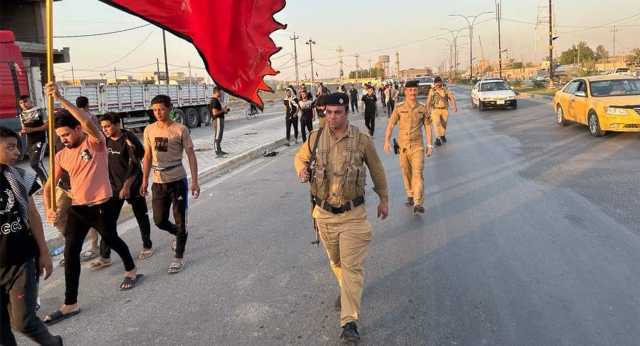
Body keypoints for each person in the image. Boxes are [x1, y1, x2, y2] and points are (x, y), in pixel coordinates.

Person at [42, 82, 141, 325]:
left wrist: (61, 99)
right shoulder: (61, 155)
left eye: (66, 134)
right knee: (71, 251)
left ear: (77, 129)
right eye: (60, 136)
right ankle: (70, 303)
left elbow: (89, 123)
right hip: (78, 207)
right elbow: (47, 188)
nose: (64, 139)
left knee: (112, 239)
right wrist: (49, 209)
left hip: (101, 205)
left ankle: (131, 270)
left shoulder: (94, 143)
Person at [294, 92, 389, 343]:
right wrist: (302, 169)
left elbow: (377, 169)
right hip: (324, 214)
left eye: (338, 113)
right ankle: (346, 289)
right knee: (336, 262)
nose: (333, 117)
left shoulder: (361, 140)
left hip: (353, 215)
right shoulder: (315, 138)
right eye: (329, 113)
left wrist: (384, 199)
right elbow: (300, 157)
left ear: (346, 112)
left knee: (351, 267)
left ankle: (349, 322)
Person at [0, 127, 63, 346]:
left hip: (20, 262)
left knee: (23, 322)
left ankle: (54, 343)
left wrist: (44, 252)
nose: (17, 152)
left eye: (16, 146)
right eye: (10, 147)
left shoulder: (17, 176)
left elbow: (33, 214)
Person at [141, 95, 200, 274]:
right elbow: (148, 156)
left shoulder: (180, 129)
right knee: (159, 220)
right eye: (155, 110)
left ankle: (178, 257)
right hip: (158, 182)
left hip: (177, 181)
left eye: (162, 109)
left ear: (170, 109)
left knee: (180, 219)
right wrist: (144, 179)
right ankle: (178, 233)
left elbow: (190, 154)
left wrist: (195, 182)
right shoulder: (149, 130)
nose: (158, 113)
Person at [88, 113, 153, 270]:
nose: (105, 130)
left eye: (108, 126)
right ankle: (105, 256)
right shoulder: (105, 140)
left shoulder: (129, 139)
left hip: (132, 185)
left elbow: (135, 164)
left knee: (141, 215)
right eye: (103, 127)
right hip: (113, 187)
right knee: (107, 222)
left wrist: (126, 186)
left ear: (118, 124)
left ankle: (147, 245)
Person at [383, 80, 433, 214]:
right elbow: (390, 125)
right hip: (403, 147)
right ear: (405, 92)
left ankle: (418, 202)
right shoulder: (399, 108)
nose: (412, 92)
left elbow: (428, 126)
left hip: (417, 147)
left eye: (414, 90)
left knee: (417, 174)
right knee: (406, 173)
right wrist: (387, 141)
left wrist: (429, 144)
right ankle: (410, 194)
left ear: (417, 91)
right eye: (410, 90)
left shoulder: (422, 108)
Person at [75, 96, 101, 263]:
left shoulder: (84, 119)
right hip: (81, 174)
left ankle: (95, 246)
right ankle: (92, 245)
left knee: (92, 212)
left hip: (89, 169)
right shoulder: (91, 117)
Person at [17, 96, 48, 186]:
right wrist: (22, 132)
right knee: (34, 164)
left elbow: (47, 125)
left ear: (31, 101)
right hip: (30, 142)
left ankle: (47, 185)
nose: (24, 104)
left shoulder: (40, 111)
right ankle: (45, 184)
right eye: (21, 103)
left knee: (35, 163)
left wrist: (32, 130)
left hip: (40, 140)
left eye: (25, 101)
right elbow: (25, 128)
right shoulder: (22, 115)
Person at [426, 76, 457, 146]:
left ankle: (442, 135)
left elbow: (451, 98)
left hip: (444, 109)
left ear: (441, 83)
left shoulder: (445, 89)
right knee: (436, 123)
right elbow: (428, 101)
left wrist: (454, 106)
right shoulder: (432, 90)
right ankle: (437, 139)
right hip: (435, 110)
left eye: (439, 84)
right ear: (434, 84)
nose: (438, 85)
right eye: (436, 84)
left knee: (444, 124)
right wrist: (427, 110)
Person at [209, 87, 230, 156]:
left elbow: (218, 111)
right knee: (218, 135)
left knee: (219, 135)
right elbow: (214, 113)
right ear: (217, 92)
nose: (221, 93)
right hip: (217, 120)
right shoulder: (214, 101)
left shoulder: (215, 100)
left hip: (219, 119)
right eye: (220, 92)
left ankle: (219, 150)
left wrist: (224, 110)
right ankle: (217, 152)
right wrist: (223, 110)